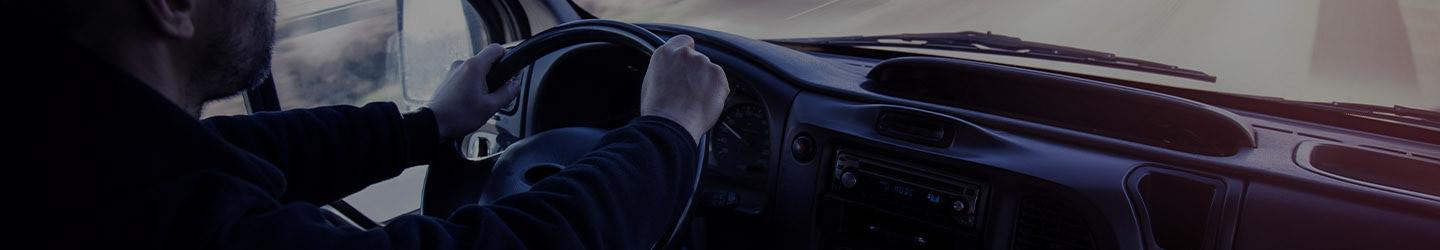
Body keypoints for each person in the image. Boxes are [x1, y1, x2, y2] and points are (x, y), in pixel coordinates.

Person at [12, 0, 728, 249]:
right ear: (171, 4)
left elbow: (247, 149)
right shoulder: (163, 223)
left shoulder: (78, 162)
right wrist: (669, 129)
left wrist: (429, 126)